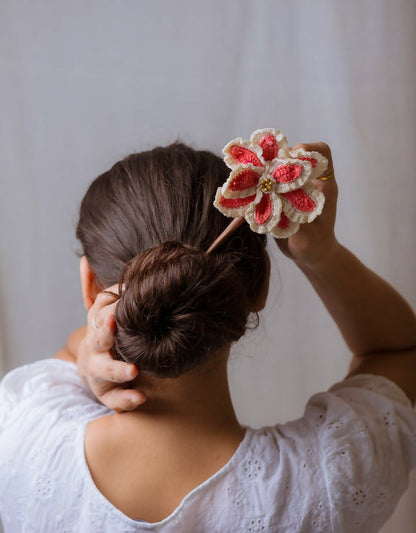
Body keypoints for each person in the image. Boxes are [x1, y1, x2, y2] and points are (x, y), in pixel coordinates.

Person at [0, 141, 415, 533]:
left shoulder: (24, 431)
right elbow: (399, 348)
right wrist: (321, 254)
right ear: (259, 286)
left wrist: (88, 351)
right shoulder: (328, 478)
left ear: (90, 286)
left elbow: (73, 353)